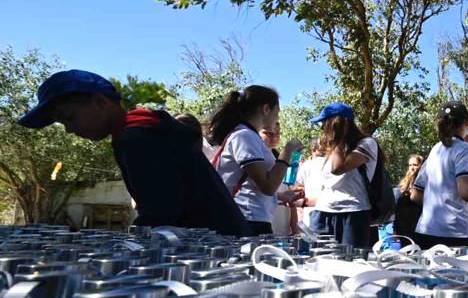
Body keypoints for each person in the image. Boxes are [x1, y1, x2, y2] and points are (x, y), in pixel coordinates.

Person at [17, 69, 247, 235]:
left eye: (70, 118)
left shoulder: (136, 137)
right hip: (223, 235)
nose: (69, 129)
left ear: (99, 102)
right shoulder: (143, 129)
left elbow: (161, 211)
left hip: (210, 244)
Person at [209, 85, 302, 236]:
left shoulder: (248, 136)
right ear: (266, 109)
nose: (278, 118)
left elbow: (252, 186)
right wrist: (288, 151)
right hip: (245, 221)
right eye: (277, 112)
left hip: (249, 218)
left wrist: (279, 197)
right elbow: (268, 185)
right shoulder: (244, 136)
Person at [411, 101, 468, 249]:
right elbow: (467, 193)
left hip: (425, 231)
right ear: (466, 123)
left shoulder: (435, 150)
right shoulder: (465, 149)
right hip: (454, 234)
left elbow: (415, 195)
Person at [309, 102, 381, 248]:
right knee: (319, 262)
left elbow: (338, 169)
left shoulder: (367, 144)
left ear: (339, 123)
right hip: (323, 213)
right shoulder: (333, 150)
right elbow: (331, 185)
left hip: (353, 214)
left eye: (325, 123)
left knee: (351, 264)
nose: (322, 128)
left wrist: (337, 138)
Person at [259, 122, 301, 236]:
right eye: (268, 133)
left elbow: (290, 201)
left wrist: (295, 229)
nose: (274, 137)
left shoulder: (282, 160)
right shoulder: (255, 159)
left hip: (283, 226)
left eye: (277, 134)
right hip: (262, 224)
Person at [294, 141, 327, 228]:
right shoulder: (332, 164)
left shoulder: (307, 165)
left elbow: (297, 188)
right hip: (330, 212)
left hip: (310, 214)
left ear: (313, 150)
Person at [392, 154, 424, 240]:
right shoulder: (405, 183)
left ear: (421, 166)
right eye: (410, 165)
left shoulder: (425, 180)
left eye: (415, 165)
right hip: (404, 224)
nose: (412, 168)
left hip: (418, 222)